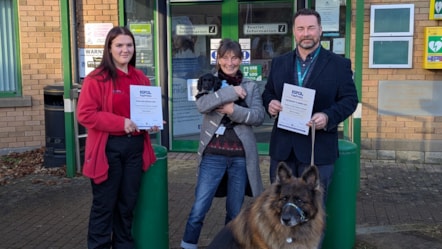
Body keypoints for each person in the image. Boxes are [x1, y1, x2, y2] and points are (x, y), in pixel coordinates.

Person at [262, 8, 358, 202]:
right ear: (294, 32)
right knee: (279, 208)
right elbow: (268, 92)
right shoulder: (279, 63)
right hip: (283, 151)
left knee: (313, 212)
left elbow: (350, 100)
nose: (306, 33)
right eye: (301, 28)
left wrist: (328, 117)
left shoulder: (339, 65)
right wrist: (270, 103)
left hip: (318, 151)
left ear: (320, 30)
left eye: (311, 28)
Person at [77, 26, 160, 249]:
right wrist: (120, 123)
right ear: (110, 48)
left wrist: (150, 123)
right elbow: (85, 114)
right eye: (119, 45)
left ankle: (124, 245)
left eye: (129, 45)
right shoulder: (97, 78)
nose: (125, 50)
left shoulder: (141, 78)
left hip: (134, 149)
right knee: (105, 206)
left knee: (127, 205)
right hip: (107, 150)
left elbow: (144, 114)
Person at [181, 38, 265, 249]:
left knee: (235, 212)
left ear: (241, 59)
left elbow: (258, 116)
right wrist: (231, 93)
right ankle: (187, 245)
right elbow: (203, 104)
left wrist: (232, 111)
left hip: (240, 159)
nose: (230, 62)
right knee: (200, 208)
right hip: (213, 156)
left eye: (235, 58)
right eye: (225, 57)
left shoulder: (251, 86)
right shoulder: (209, 80)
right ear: (218, 59)